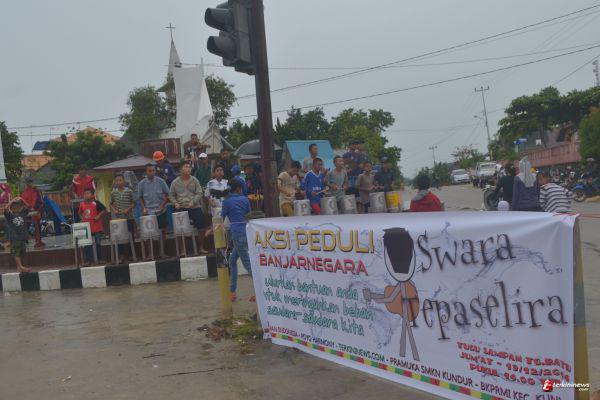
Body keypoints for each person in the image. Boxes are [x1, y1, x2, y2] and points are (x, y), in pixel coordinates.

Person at [221, 179, 253, 302]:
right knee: (232, 260)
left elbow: (221, 218)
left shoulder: (226, 202)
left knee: (247, 264)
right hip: (247, 232)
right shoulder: (245, 199)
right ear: (239, 189)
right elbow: (249, 216)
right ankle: (232, 291)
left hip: (237, 234)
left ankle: (261, 291)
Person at [169, 162, 208, 254]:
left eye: (189, 167)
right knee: (179, 229)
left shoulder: (194, 180)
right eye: (186, 167)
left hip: (194, 206)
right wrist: (175, 203)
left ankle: (201, 247)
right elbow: (171, 195)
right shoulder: (175, 182)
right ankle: (182, 250)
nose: (189, 169)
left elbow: (199, 192)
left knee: (202, 227)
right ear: (180, 170)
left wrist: (193, 201)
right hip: (181, 207)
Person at [110, 173, 137, 261]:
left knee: (130, 236)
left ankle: (132, 254)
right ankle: (121, 255)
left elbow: (134, 203)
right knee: (120, 237)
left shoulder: (129, 191)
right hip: (119, 220)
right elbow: (111, 203)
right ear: (115, 182)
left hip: (129, 218)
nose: (119, 182)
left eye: (120, 180)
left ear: (124, 181)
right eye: (117, 181)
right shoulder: (113, 193)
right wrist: (114, 210)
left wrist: (128, 209)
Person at [79, 188, 107, 266]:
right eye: (85, 194)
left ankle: (100, 259)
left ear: (92, 195)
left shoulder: (96, 202)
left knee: (98, 243)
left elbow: (104, 209)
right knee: (87, 245)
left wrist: (98, 216)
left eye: (88, 193)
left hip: (96, 227)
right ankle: (88, 261)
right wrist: (82, 219)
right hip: (87, 228)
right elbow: (80, 213)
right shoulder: (82, 204)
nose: (86, 195)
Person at [138, 163, 170, 231]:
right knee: (151, 232)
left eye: (153, 170)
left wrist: (162, 205)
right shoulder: (141, 184)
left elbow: (168, 195)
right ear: (146, 172)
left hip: (161, 211)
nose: (152, 172)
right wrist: (143, 208)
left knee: (163, 230)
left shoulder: (161, 181)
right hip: (148, 212)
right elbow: (140, 197)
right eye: (150, 171)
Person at [4, 197, 32, 272]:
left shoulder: (23, 213)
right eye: (14, 207)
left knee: (22, 253)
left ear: (20, 207)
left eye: (17, 207)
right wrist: (12, 201)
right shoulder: (10, 216)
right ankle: (21, 267)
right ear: (11, 208)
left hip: (23, 237)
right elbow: (5, 208)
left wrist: (22, 200)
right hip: (15, 238)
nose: (16, 208)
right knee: (16, 252)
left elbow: (28, 207)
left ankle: (19, 267)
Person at [21, 177, 45, 248]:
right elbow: (22, 202)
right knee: (25, 226)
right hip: (26, 212)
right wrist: (26, 209)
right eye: (27, 182)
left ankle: (38, 240)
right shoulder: (24, 192)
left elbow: (41, 202)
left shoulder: (36, 191)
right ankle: (24, 240)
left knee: (37, 226)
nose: (28, 183)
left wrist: (34, 208)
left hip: (35, 211)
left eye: (30, 182)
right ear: (25, 183)